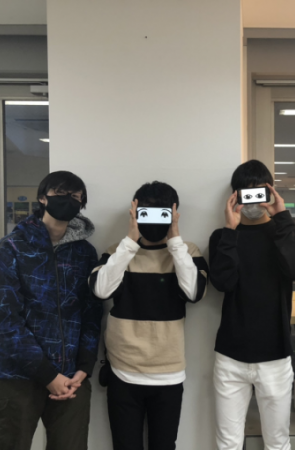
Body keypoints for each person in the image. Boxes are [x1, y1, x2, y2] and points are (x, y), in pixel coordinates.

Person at [0, 171, 102, 450]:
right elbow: (6, 320)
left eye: (75, 196)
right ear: (42, 198)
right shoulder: (10, 248)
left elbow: (92, 313)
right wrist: (48, 375)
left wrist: (84, 367)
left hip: (71, 379)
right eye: (60, 194)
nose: (68, 200)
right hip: (14, 378)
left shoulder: (85, 253)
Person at [89, 181, 208, 450]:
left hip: (169, 373)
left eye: (162, 213)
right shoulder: (116, 252)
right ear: (135, 213)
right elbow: (100, 290)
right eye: (145, 212)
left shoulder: (187, 252)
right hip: (123, 371)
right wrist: (130, 242)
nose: (153, 220)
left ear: (174, 214)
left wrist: (174, 241)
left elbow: (194, 293)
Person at [209, 160, 295, 450]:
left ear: (270, 192)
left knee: (277, 442)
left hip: (275, 355)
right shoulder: (222, 237)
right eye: (246, 193)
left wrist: (282, 217)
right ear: (235, 196)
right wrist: (230, 229)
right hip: (230, 356)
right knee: (228, 443)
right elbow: (223, 282)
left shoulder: (286, 231)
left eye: (259, 192)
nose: (253, 201)